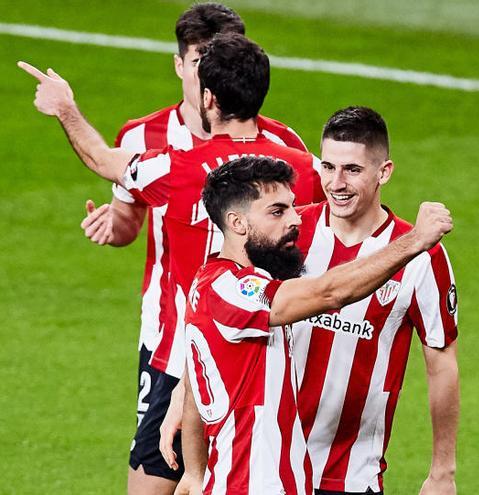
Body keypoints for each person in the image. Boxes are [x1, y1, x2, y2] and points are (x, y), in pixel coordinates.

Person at [18, 31, 322, 494]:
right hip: (274, 359)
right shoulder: (304, 169)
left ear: (208, 98)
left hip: (189, 356)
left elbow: (102, 160)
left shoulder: (175, 168)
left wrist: (65, 107)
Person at [175, 156, 452, 495]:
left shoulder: (232, 282)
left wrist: (194, 471)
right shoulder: (229, 289)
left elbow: (193, 382)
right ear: (238, 222)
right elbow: (330, 293)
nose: (295, 220)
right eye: (277, 212)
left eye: (293, 207)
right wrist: (414, 241)